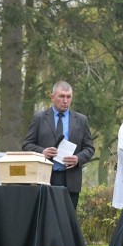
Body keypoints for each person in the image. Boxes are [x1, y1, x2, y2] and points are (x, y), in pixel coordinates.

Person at [21, 81, 95, 210]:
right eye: (61, 96)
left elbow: (89, 148)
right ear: (52, 97)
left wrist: (78, 159)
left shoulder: (81, 120)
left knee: (67, 222)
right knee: (44, 220)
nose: (65, 100)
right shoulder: (40, 118)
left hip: (70, 179)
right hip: (44, 178)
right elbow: (27, 144)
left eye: (69, 97)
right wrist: (42, 152)